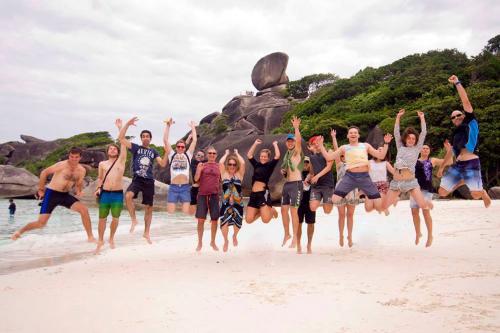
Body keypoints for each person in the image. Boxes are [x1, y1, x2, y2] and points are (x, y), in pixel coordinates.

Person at [11, 147, 95, 241]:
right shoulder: (61, 165)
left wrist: (79, 190)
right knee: (41, 223)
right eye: (71, 156)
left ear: (80, 158)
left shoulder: (81, 170)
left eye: (76, 157)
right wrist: (41, 190)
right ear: (69, 156)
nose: (73, 159)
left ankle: (90, 237)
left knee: (84, 210)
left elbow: (78, 183)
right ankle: (19, 232)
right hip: (52, 194)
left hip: (65, 195)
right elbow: (44, 172)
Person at [437, 75, 491, 208]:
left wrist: (457, 83)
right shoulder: (455, 135)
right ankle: (465, 180)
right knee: (442, 192)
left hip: (471, 162)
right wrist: (442, 167)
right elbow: (451, 152)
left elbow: (465, 101)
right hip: (458, 165)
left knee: (476, 195)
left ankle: (482, 192)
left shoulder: (470, 122)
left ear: (463, 115)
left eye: (458, 115)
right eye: (453, 117)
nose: (456, 118)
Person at [318, 127, 393, 213]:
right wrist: (321, 146)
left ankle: (374, 197)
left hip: (364, 177)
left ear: (358, 135)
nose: (353, 134)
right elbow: (329, 157)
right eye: (351, 133)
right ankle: (358, 194)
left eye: (355, 132)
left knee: (378, 204)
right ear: (347, 136)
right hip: (350, 176)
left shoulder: (365, 146)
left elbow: (381, 156)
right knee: (335, 199)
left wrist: (386, 143)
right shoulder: (344, 148)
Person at [118, 117, 168, 244]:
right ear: (141, 138)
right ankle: (134, 219)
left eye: (148, 136)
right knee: (128, 196)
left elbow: (162, 164)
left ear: (150, 139)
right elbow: (121, 139)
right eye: (143, 136)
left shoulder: (153, 151)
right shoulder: (135, 148)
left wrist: (167, 152)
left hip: (149, 181)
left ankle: (146, 233)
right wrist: (127, 124)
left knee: (149, 207)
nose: (146, 138)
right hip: (137, 179)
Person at [383, 109, 433, 211]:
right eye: (409, 138)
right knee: (384, 207)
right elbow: (396, 133)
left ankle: (427, 202)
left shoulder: (417, 149)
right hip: (396, 182)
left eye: (413, 139)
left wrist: (422, 118)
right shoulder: (400, 147)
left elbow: (424, 132)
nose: (411, 140)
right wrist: (398, 117)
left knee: (424, 206)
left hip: (410, 182)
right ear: (405, 138)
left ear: (416, 140)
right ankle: (395, 199)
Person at [94, 119, 128, 254]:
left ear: (118, 151)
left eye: (115, 148)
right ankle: (101, 239)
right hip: (105, 194)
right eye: (111, 148)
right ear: (107, 151)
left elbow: (123, 143)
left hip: (118, 194)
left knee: (115, 218)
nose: (113, 149)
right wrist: (98, 188)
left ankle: (112, 238)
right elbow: (100, 178)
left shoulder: (121, 160)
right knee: (102, 218)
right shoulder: (102, 164)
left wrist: (120, 127)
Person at [411, 142, 452, 247]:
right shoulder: (413, 160)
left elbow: (450, 161)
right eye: (423, 148)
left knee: (425, 212)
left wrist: (449, 151)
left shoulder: (432, 160)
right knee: (414, 212)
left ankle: (430, 235)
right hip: (415, 190)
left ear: (429, 151)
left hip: (427, 190)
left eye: (427, 148)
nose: (425, 149)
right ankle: (418, 233)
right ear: (420, 150)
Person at [329, 130, 362, 247]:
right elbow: (337, 149)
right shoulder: (339, 164)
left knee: (350, 215)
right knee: (341, 215)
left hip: (352, 191)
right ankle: (341, 235)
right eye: (342, 155)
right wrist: (334, 137)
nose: (343, 156)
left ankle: (350, 236)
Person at [280, 116, 304, 252]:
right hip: (287, 185)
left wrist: (296, 128)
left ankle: (295, 237)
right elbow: (284, 169)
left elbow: (299, 141)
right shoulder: (287, 155)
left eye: (292, 141)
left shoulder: (296, 153)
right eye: (288, 141)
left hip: (296, 184)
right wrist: (283, 170)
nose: (290, 143)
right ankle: (287, 233)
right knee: (283, 210)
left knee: (294, 212)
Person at [164, 119, 198, 214]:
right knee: (170, 215)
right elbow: (165, 140)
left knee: (185, 215)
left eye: (182, 147)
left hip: (185, 188)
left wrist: (193, 127)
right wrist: (168, 125)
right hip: (173, 188)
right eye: (178, 146)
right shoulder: (172, 155)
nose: (180, 148)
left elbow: (194, 141)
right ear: (176, 147)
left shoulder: (188, 155)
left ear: (184, 148)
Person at [245, 139, 280, 224]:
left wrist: (275, 144)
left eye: (265, 156)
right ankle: (262, 211)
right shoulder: (256, 164)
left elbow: (277, 156)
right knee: (248, 220)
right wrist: (255, 144)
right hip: (253, 194)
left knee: (266, 220)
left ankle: (272, 210)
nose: (263, 158)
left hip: (262, 193)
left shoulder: (270, 165)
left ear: (268, 158)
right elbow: (249, 155)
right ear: (260, 156)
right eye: (261, 156)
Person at [194, 146, 221, 252]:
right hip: (202, 195)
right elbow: (196, 179)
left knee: (214, 220)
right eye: (210, 153)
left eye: (214, 153)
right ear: (207, 155)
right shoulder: (201, 165)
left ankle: (212, 242)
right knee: (201, 220)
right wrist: (199, 170)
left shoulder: (219, 166)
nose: (212, 155)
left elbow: (224, 178)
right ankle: (200, 242)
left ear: (216, 155)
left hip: (214, 195)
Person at [219, 149, 245, 252]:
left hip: (238, 203)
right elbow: (220, 162)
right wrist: (226, 154)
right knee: (223, 223)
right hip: (225, 203)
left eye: (234, 164)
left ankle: (234, 235)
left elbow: (242, 162)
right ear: (227, 165)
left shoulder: (239, 175)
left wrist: (237, 153)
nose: (232, 166)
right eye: (230, 164)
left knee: (238, 223)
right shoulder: (224, 174)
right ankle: (226, 240)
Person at [307, 136, 335, 214]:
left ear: (322, 142)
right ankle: (320, 198)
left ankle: (327, 199)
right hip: (316, 186)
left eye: (317, 142)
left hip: (327, 185)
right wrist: (308, 178)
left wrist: (317, 176)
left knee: (327, 211)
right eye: (313, 143)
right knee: (312, 208)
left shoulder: (329, 151)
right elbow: (312, 171)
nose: (316, 144)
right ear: (311, 145)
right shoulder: (312, 156)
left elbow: (328, 167)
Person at [366, 146, 394, 215]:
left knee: (378, 206)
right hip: (371, 185)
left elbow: (394, 172)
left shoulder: (386, 163)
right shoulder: (369, 162)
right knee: (368, 209)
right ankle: (381, 207)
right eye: (379, 150)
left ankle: (383, 207)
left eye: (382, 150)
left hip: (382, 185)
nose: (380, 151)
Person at [297, 156, 316, 254]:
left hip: (310, 201)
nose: (305, 164)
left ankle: (309, 245)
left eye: (307, 162)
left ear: (310, 163)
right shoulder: (297, 173)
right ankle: (298, 244)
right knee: (298, 223)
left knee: (311, 223)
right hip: (299, 202)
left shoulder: (313, 174)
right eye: (303, 162)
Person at [189, 148, 206, 215]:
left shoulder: (205, 163)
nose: (200, 157)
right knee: (193, 211)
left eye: (202, 156)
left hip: (202, 189)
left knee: (202, 210)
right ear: (195, 155)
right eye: (198, 155)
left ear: (204, 158)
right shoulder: (192, 162)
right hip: (194, 188)